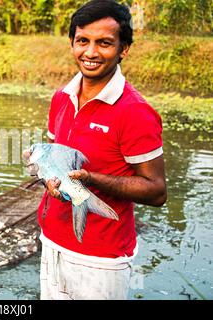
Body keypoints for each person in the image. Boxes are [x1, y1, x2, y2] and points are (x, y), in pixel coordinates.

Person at [39, 0, 167, 300]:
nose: (91, 52)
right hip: (51, 242)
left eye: (105, 43)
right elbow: (55, 159)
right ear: (72, 43)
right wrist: (49, 177)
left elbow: (157, 191)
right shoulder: (61, 97)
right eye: (82, 41)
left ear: (124, 49)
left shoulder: (135, 111)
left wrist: (91, 179)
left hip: (100, 259)